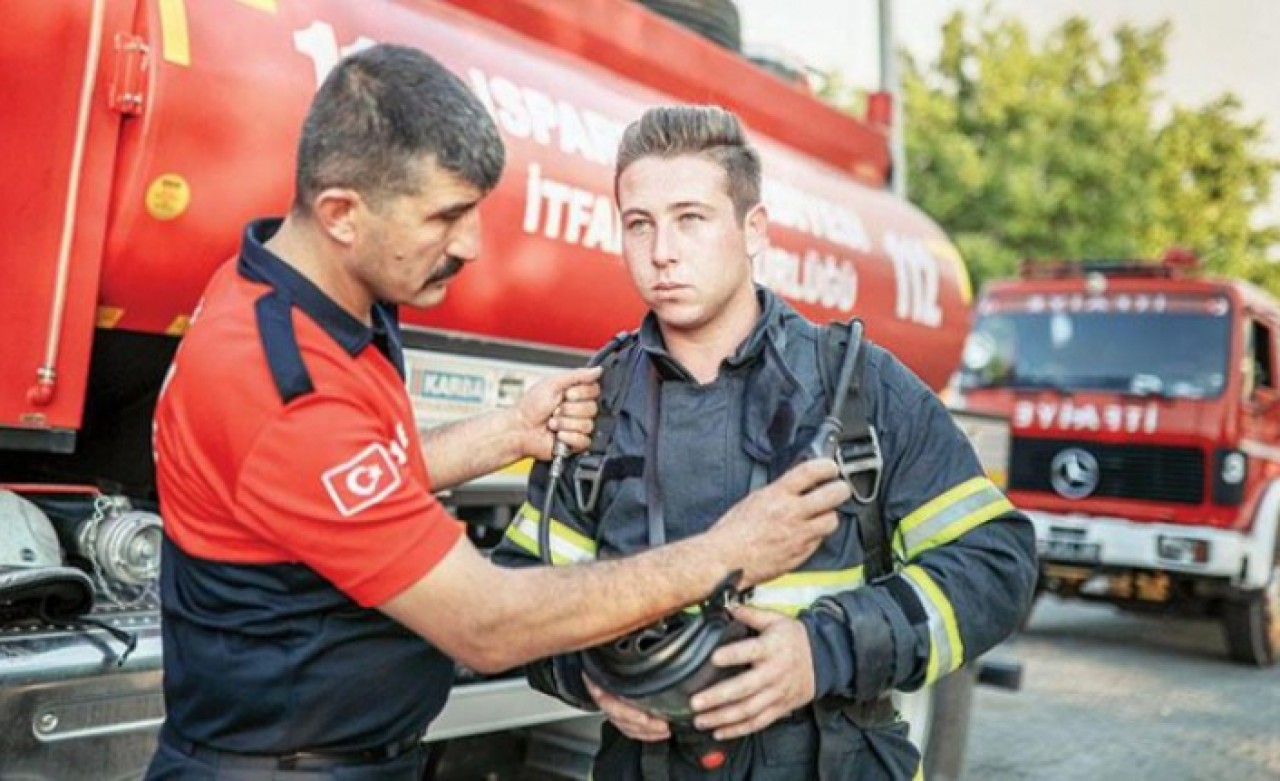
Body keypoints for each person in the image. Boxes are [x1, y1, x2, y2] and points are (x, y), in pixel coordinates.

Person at [146, 47, 853, 781]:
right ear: (341, 214)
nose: (472, 244)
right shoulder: (279, 383)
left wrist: (509, 433)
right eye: (446, 216)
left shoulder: (299, 296)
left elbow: (339, 488)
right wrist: (722, 553)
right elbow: (486, 622)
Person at [492, 105, 1038, 780]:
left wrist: (824, 651)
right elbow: (515, 592)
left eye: (691, 217)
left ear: (753, 231)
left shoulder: (859, 387)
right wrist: (590, 676)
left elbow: (996, 562)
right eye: (640, 223)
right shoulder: (594, 406)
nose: (662, 249)